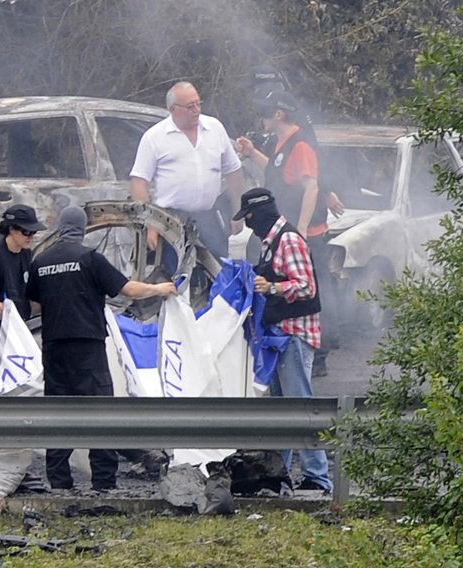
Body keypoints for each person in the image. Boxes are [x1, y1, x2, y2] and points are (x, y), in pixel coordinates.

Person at [26, 206, 177, 492]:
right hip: (87, 347)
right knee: (100, 413)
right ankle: (104, 482)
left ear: (60, 227)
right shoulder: (90, 258)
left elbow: (34, 303)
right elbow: (128, 290)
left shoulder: (40, 261)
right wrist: (160, 289)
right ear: (82, 229)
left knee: (59, 415)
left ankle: (59, 482)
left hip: (54, 347)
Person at [233, 187, 333, 493]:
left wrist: (271, 288)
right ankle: (278, 473)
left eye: (248, 217)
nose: (248, 224)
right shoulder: (269, 242)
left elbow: (306, 287)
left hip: (295, 333)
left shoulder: (288, 240)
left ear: (259, 213)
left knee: (300, 405)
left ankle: (318, 476)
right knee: (281, 408)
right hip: (279, 336)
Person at [237, 90, 339, 377]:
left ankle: (319, 356)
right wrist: (251, 153)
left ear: (278, 115)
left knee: (313, 294)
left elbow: (311, 186)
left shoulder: (301, 144)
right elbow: (279, 173)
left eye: (265, 113)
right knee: (292, 290)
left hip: (305, 235)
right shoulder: (282, 143)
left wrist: (302, 229)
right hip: (290, 232)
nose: (262, 118)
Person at [130, 81, 246, 266]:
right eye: (190, 106)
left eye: (198, 104)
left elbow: (234, 171)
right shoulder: (154, 137)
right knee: (171, 274)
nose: (197, 110)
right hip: (170, 218)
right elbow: (139, 182)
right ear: (173, 109)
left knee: (225, 267)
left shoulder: (214, 128)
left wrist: (238, 212)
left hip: (209, 215)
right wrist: (150, 224)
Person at [0, 204, 47, 388]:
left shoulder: (26, 254)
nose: (30, 238)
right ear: (12, 229)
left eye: (33, 234)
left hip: (18, 329)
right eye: (26, 233)